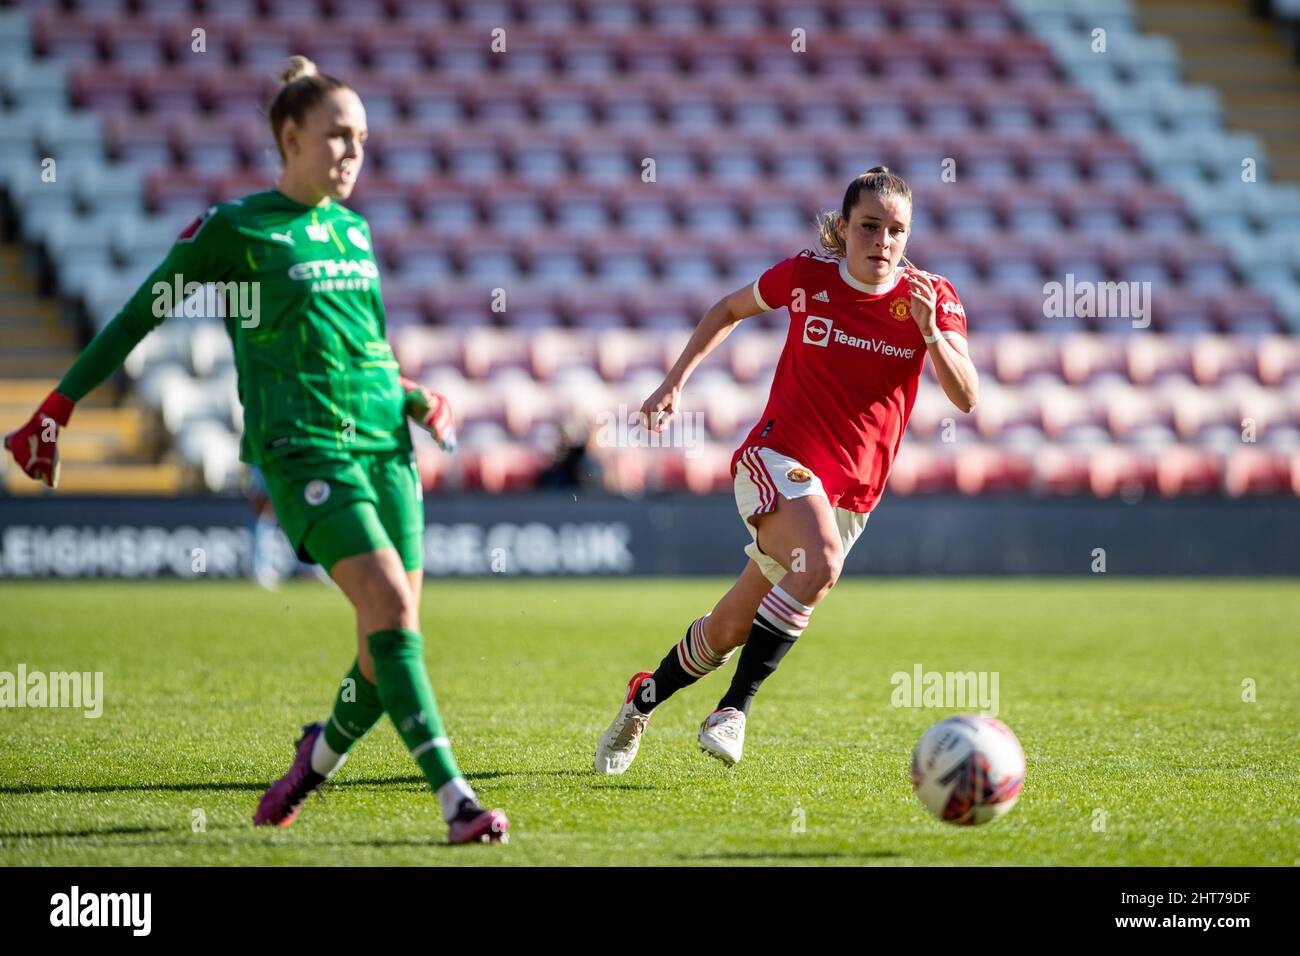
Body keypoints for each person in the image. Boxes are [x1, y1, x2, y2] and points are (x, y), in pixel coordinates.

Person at [4, 56, 508, 844]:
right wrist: (58, 407)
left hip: (387, 448)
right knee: (391, 610)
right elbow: (140, 315)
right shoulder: (235, 230)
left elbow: (369, 346)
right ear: (289, 135)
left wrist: (413, 393)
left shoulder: (353, 229)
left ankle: (316, 759)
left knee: (387, 649)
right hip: (303, 449)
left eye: (364, 141)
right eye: (338, 136)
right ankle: (457, 801)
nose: (352, 154)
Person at [595, 166, 979, 772]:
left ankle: (640, 700)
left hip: (850, 496)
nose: (882, 241)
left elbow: (966, 396)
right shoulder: (807, 278)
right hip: (777, 458)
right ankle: (733, 710)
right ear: (845, 228)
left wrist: (932, 332)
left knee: (727, 630)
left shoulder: (933, 297)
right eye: (869, 227)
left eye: (895, 231)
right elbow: (727, 309)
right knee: (820, 563)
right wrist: (673, 384)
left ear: (909, 236)